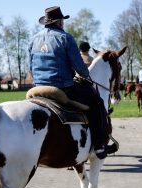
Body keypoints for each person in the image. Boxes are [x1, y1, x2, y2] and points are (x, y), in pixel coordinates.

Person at [28, 6, 109, 158]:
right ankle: (99, 145)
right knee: (97, 103)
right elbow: (80, 68)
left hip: (37, 87)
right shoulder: (65, 38)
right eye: (62, 21)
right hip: (63, 88)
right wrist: (84, 75)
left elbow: (30, 66)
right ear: (59, 22)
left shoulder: (33, 39)